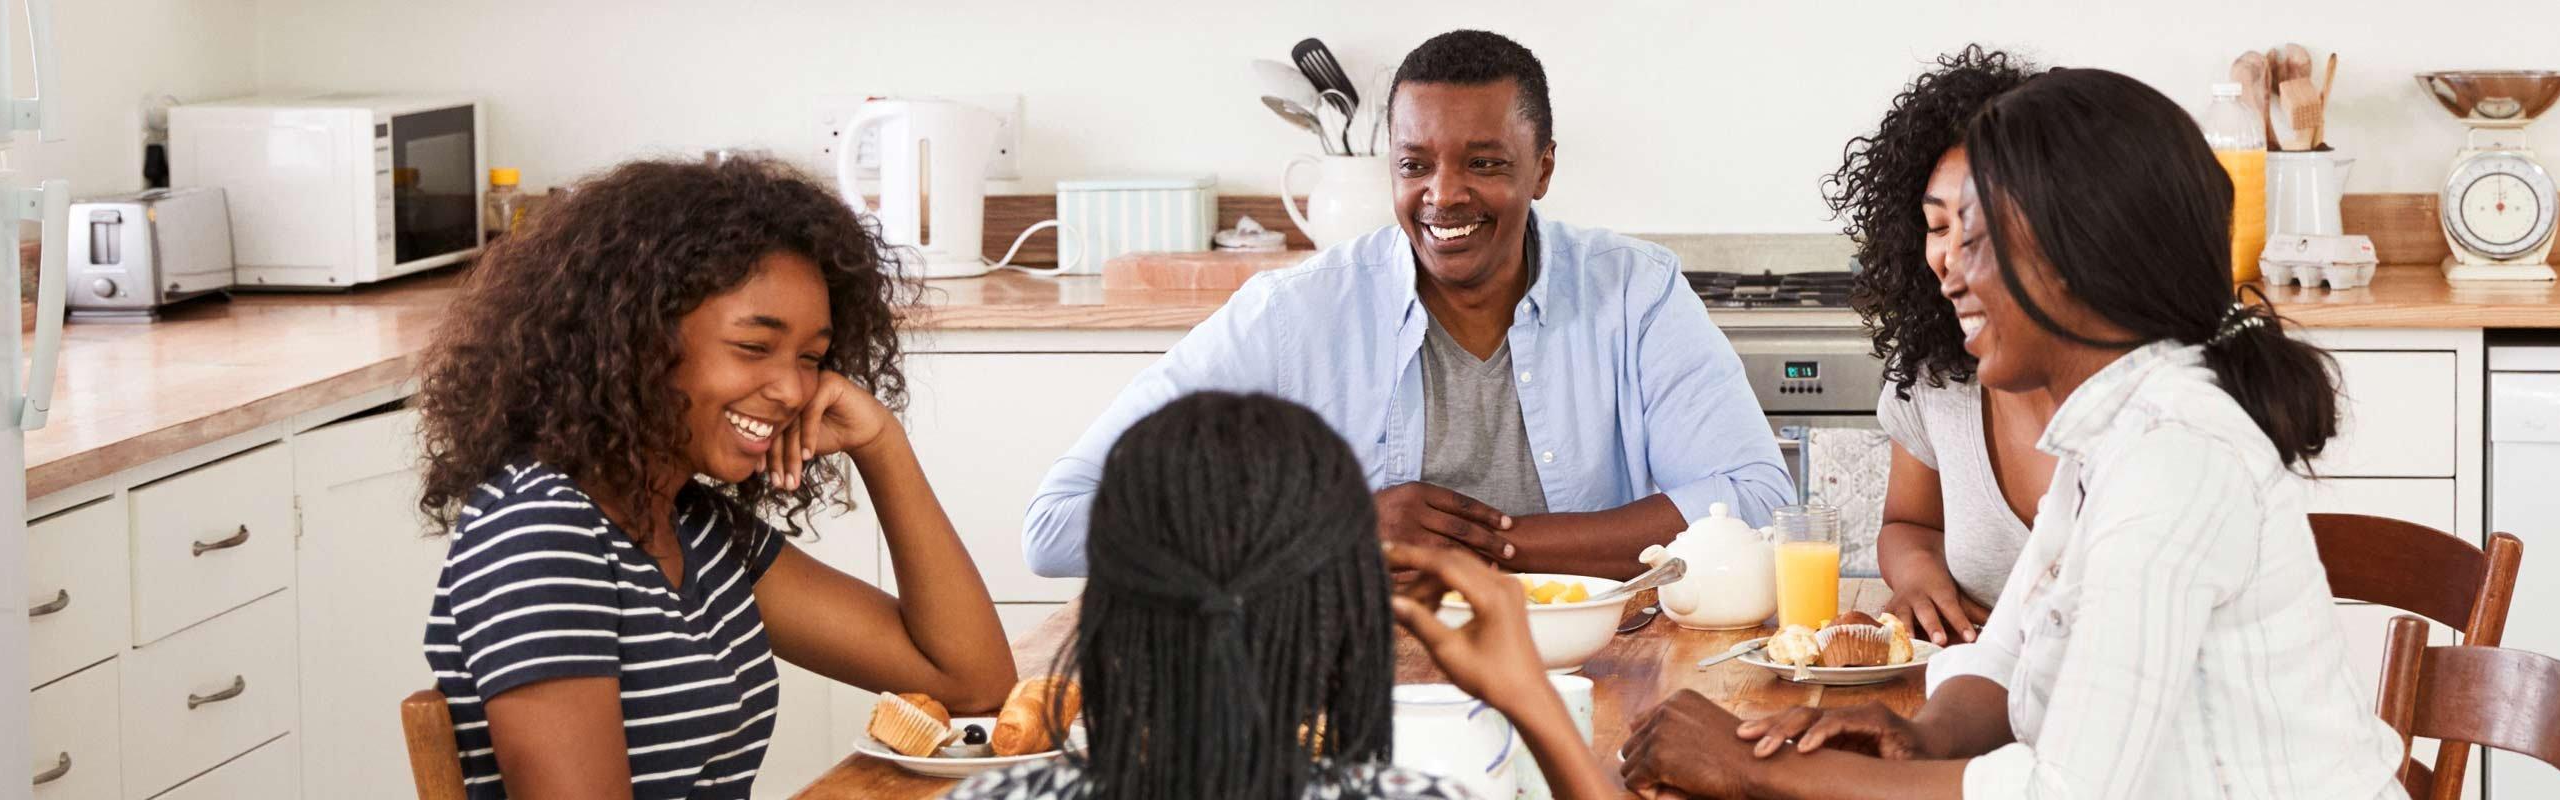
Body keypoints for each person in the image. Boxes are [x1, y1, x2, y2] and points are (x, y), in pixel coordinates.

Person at [1618, 68, 2408, 799]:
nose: (1949, 271)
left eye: (1976, 237)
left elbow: (2066, 791)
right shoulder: (2105, 438)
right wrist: (1915, 736)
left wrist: (1759, 773)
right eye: (1943, 233)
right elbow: (2004, 661)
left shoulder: (2174, 456)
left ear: (2075, 253)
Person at [1024, 29, 1787, 582]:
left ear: (1542, 169)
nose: (1443, 195)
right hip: (1353, 679)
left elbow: (1755, 503)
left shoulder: (1637, 293)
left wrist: (1495, 545)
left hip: (1599, 671)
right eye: (1414, 165)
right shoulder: (1294, 314)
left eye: (1484, 164)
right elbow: (1057, 523)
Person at [414, 154, 1018, 800]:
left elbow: (971, 682)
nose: (791, 389)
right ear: (636, 336)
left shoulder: (693, 526)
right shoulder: (542, 537)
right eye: (754, 347)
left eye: (812, 358)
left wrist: (881, 444)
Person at [945, 392, 1625, 800]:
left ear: (1102, 613)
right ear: (1345, 627)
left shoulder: (1004, 793)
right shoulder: (1405, 797)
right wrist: (1530, 698)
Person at [1827, 46, 2050, 645]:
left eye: (1979, 224)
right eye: (1936, 226)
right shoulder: (1936, 371)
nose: (1949, 256)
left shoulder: (2141, 408)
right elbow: (1909, 523)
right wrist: (1921, 578)